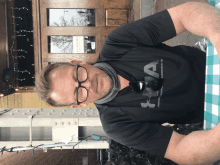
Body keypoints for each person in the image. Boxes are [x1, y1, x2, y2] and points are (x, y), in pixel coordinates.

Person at [35, 2, 220, 164]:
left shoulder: (117, 42)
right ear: (79, 104)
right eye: (79, 92)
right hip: (213, 111)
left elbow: (183, 16)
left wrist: (217, 36)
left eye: (79, 76)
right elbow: (180, 150)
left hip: (212, 60)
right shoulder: (116, 125)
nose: (88, 84)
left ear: (78, 62)